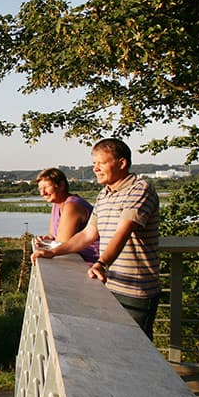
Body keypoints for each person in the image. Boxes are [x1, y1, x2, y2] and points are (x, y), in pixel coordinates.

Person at [31, 138, 160, 339]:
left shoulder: (140, 189)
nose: (96, 169)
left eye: (101, 163)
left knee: (137, 349)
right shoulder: (104, 195)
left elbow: (123, 232)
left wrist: (101, 263)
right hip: (110, 282)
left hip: (136, 287)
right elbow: (87, 234)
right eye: (94, 164)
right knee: (115, 343)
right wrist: (53, 252)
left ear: (121, 163)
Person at [33, 168, 100, 263]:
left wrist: (48, 247)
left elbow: (62, 242)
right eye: (40, 189)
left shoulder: (72, 205)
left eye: (46, 187)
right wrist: (45, 240)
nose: (42, 193)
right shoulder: (57, 204)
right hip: (76, 258)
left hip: (90, 261)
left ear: (61, 185)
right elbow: (53, 235)